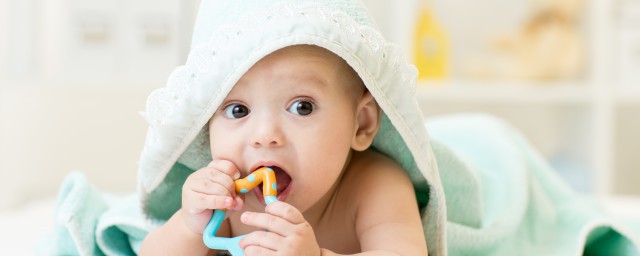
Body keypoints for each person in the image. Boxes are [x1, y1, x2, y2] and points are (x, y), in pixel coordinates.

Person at [136, 0, 446, 255]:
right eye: (238, 109)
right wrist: (189, 226)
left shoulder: (376, 184)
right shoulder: (227, 200)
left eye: (302, 107)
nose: (264, 135)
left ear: (361, 123)